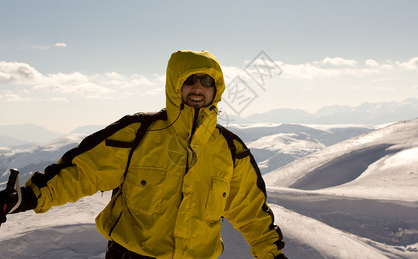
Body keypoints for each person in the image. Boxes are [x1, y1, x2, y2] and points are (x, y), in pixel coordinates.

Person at [0, 50, 287, 258]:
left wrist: (272, 254)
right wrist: (27, 198)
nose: (199, 87)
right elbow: (83, 172)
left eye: (207, 81)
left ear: (217, 89)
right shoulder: (138, 133)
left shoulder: (231, 150)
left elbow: (251, 210)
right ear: (176, 84)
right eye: (191, 79)